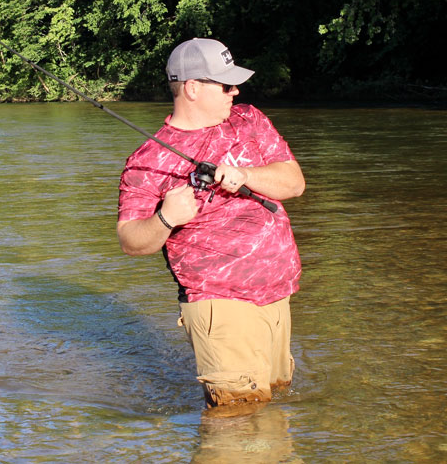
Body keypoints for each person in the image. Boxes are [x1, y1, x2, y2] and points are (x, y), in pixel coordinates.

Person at [117, 37, 306, 409]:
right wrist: (166, 218)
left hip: (277, 292)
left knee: (274, 409)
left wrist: (246, 175)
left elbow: (294, 183)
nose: (234, 91)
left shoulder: (249, 119)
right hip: (218, 302)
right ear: (192, 88)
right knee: (238, 420)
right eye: (224, 84)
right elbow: (131, 241)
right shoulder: (146, 160)